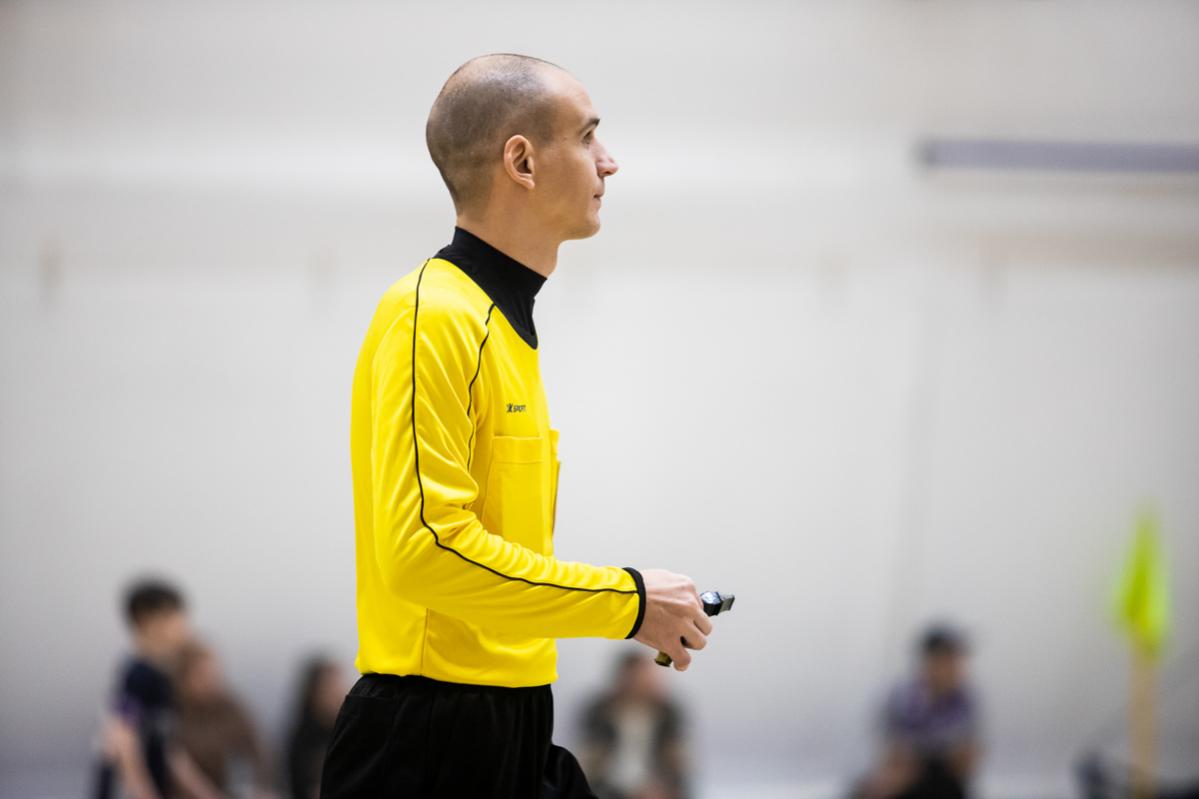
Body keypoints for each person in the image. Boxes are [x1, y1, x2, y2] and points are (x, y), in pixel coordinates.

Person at [320, 53, 714, 798]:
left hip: (511, 722)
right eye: (588, 136)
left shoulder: (500, 326)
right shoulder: (432, 315)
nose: (609, 161)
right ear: (522, 162)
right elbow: (425, 552)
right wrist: (626, 601)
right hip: (429, 744)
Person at [92, 579, 225, 799]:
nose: (184, 627)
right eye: (177, 618)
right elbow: (123, 737)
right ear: (150, 622)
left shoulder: (163, 678)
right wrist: (143, 792)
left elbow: (169, 749)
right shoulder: (136, 674)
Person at [856, 624, 983, 799]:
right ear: (929, 662)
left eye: (957, 660)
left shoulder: (965, 701)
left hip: (942, 775)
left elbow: (968, 754)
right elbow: (890, 749)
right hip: (903, 775)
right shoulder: (901, 697)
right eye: (948, 660)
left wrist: (963, 757)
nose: (956, 667)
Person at [579, 652, 691, 799]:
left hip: (657, 790)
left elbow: (677, 762)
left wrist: (662, 788)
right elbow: (591, 762)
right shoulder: (600, 712)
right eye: (640, 678)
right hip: (608, 789)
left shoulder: (668, 714)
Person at [174, 640, 277, 797]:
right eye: (201, 675)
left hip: (232, 789)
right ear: (183, 678)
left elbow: (258, 750)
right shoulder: (173, 712)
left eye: (214, 675)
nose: (210, 682)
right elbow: (177, 764)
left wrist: (259, 787)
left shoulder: (231, 707)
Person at [285, 656, 346, 799]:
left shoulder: (350, 732)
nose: (339, 695)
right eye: (331, 688)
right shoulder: (303, 739)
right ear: (314, 692)